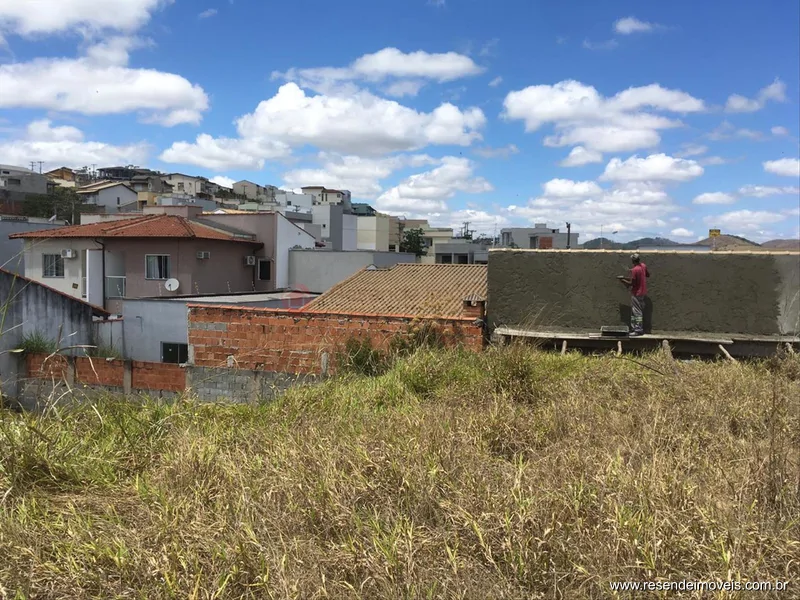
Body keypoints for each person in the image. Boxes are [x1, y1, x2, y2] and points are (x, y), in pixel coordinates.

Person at [619, 253, 650, 336]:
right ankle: (634, 328)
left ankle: (638, 330)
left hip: (637, 293)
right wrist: (626, 277)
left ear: (632, 260)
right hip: (643, 292)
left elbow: (631, 284)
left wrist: (622, 280)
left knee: (637, 311)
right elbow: (647, 275)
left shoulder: (635, 270)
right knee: (634, 311)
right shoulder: (643, 266)